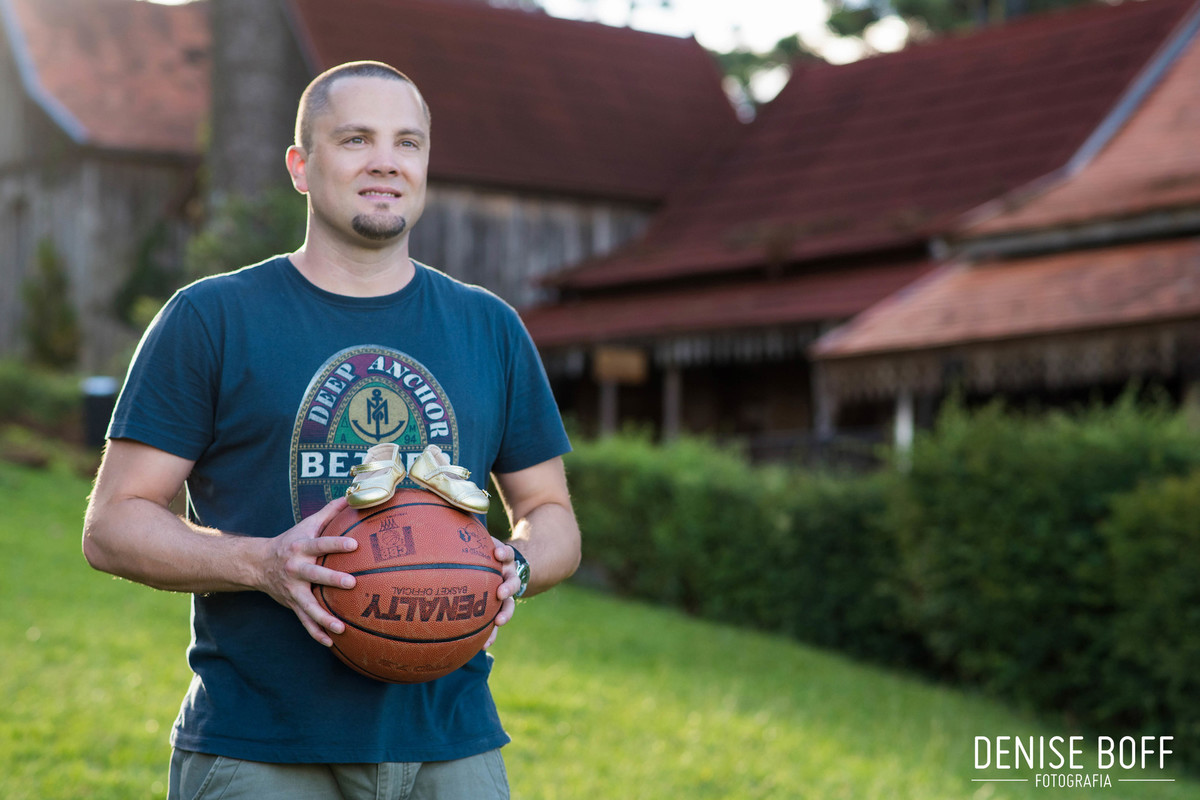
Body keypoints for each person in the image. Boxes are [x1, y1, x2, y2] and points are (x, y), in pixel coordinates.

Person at [83, 60, 581, 800]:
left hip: (451, 742)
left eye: (407, 143)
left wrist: (516, 567)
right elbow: (113, 526)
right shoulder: (211, 318)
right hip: (262, 748)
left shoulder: (491, 328)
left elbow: (551, 515)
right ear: (301, 166)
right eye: (355, 139)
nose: (385, 161)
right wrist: (263, 564)